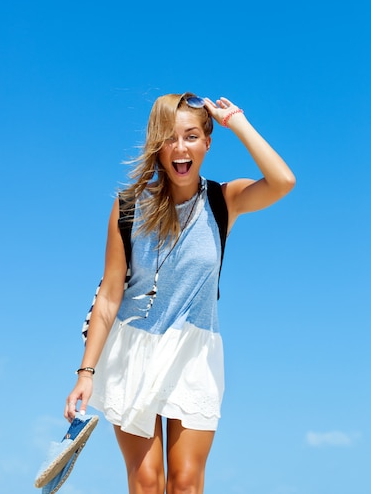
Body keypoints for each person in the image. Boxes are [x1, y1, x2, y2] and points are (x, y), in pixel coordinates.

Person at [64, 92, 295, 494]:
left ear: (207, 142)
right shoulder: (129, 207)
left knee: (186, 483)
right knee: (148, 482)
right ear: (158, 145)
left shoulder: (225, 201)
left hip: (196, 353)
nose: (180, 148)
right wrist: (86, 372)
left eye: (191, 136)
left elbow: (283, 181)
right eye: (169, 137)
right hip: (133, 349)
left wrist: (237, 122)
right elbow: (109, 295)